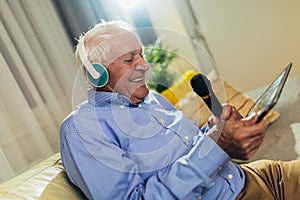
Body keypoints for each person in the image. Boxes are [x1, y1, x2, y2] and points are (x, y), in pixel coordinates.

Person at [60, 20, 300, 200]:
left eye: (141, 55)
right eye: (130, 59)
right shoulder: (83, 129)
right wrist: (217, 148)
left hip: (254, 176)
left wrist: (217, 130)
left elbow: (191, 147)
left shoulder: (152, 98)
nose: (144, 65)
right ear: (98, 74)